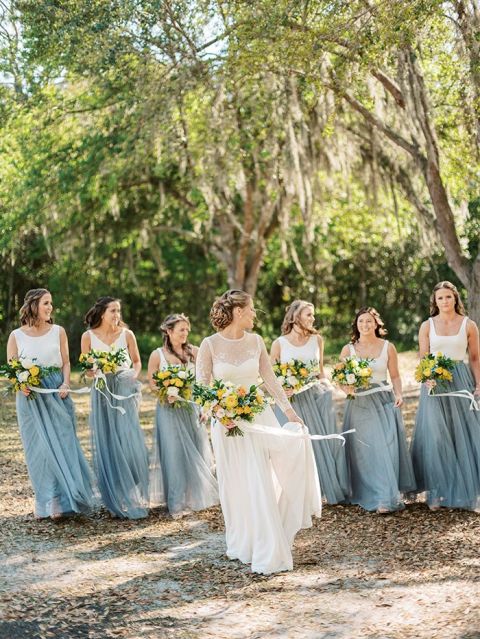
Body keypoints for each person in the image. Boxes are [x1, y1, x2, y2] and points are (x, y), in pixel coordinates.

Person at [196, 290, 321, 575]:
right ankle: (243, 542)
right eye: (251, 309)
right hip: (227, 426)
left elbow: (270, 378)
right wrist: (219, 413)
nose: (255, 314)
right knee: (236, 483)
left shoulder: (256, 341)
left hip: (258, 418)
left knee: (259, 480)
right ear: (238, 312)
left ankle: (268, 544)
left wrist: (289, 412)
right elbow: (202, 388)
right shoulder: (209, 344)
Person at [7, 288, 96, 520]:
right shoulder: (16, 336)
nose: (50, 308)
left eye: (51, 303)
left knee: (64, 443)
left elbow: (66, 362)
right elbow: (12, 370)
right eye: (46, 303)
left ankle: (61, 501)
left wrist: (66, 382)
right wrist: (20, 384)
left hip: (57, 392)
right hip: (30, 398)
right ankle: (43, 499)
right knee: (38, 449)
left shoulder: (59, 331)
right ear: (33, 305)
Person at [271, 300, 349, 504]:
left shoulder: (317, 340)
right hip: (292, 400)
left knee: (320, 442)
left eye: (313, 315)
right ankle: (298, 496)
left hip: (316, 397)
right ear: (295, 316)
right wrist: (282, 388)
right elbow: (271, 377)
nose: (313, 319)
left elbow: (320, 371)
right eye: (309, 315)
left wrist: (329, 388)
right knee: (294, 446)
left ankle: (323, 490)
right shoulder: (279, 343)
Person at [411, 281, 480, 511]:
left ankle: (467, 493)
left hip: (461, 379)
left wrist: (478, 384)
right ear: (435, 301)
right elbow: (423, 357)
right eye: (440, 298)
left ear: (455, 299)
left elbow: (475, 358)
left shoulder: (468, 325)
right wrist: (426, 378)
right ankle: (438, 492)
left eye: (448, 297)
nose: (444, 301)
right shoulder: (427, 325)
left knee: (463, 433)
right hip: (435, 381)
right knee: (437, 435)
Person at [339, 307, 416, 513]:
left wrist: (399, 394)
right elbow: (340, 378)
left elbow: (396, 375)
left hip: (383, 399)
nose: (365, 325)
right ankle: (376, 494)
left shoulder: (387, 347)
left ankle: (385, 496)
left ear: (376, 324)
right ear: (356, 325)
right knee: (365, 450)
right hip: (359, 402)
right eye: (361, 321)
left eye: (369, 321)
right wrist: (346, 387)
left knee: (386, 447)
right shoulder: (348, 350)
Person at [81, 296, 149, 519]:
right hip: (102, 392)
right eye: (113, 311)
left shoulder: (127, 335)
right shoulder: (88, 337)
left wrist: (133, 375)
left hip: (124, 389)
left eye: (118, 311)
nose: (117, 315)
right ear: (102, 313)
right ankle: (114, 494)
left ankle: (131, 486)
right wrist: (93, 371)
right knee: (108, 439)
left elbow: (137, 361)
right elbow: (86, 369)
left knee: (127, 439)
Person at [148, 313, 218, 516]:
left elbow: (207, 379)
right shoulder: (157, 355)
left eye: (187, 329)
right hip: (168, 410)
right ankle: (176, 500)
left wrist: (205, 407)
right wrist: (164, 391)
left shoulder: (195, 352)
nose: (185, 333)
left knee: (197, 446)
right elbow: (152, 382)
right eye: (181, 330)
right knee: (173, 451)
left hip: (192, 408)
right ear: (169, 331)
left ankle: (195, 495)